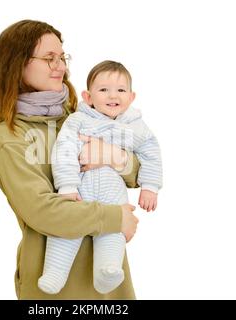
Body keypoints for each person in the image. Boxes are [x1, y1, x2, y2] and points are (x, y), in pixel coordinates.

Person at [0, 20, 141, 299]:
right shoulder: (11, 138)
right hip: (56, 289)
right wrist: (115, 218)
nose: (61, 67)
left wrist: (113, 157)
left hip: (108, 281)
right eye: (49, 58)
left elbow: (136, 173)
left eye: (62, 57)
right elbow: (41, 210)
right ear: (17, 63)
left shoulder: (79, 117)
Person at [39, 61, 163, 295]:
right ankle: (54, 272)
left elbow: (151, 153)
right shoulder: (78, 120)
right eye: (104, 90)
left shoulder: (136, 126)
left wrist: (150, 186)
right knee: (68, 226)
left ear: (132, 96)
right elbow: (64, 150)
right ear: (88, 96)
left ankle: (107, 270)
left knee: (113, 228)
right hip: (81, 185)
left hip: (112, 191)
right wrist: (66, 185)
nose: (112, 96)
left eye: (121, 90)